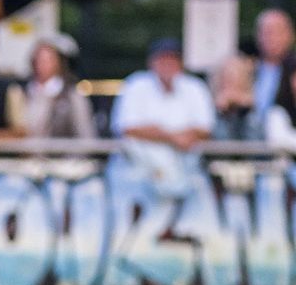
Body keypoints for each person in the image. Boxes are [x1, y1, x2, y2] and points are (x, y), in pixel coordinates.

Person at [111, 38, 215, 198]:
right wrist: (173, 137)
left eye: (172, 59)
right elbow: (127, 127)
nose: (167, 64)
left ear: (181, 63)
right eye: (162, 59)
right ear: (151, 62)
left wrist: (159, 133)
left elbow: (205, 128)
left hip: (187, 168)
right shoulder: (136, 84)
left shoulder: (194, 87)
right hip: (139, 167)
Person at [23, 37, 95, 139]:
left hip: (60, 149)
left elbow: (85, 133)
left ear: (58, 62)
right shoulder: (23, 92)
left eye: (48, 60)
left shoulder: (71, 95)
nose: (42, 64)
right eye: (39, 59)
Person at [251, 9, 295, 130]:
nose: (271, 37)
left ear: (290, 35)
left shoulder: (293, 68)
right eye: (266, 32)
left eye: (277, 32)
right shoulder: (248, 68)